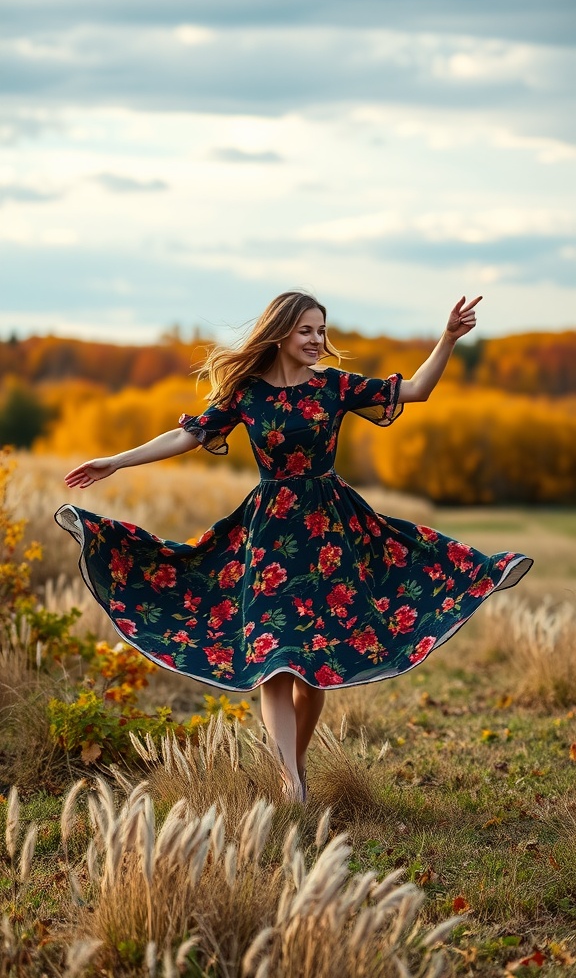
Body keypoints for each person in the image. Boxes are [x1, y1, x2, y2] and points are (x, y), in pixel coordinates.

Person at [56, 291, 532, 800]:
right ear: (281, 332)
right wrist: (116, 461)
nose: (317, 340)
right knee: (273, 657)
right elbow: (187, 437)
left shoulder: (334, 387)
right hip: (268, 542)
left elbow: (415, 390)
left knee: (315, 672)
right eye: (307, 330)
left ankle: (295, 763)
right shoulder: (246, 393)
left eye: (322, 331)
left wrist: (449, 338)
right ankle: (292, 784)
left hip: (331, 536)